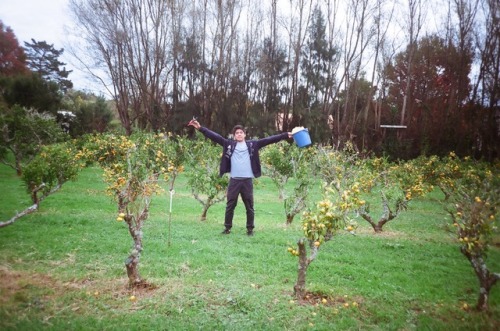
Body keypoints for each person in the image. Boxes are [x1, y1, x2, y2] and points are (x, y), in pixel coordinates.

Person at [188, 119, 292, 236]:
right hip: (234, 180)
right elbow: (215, 136)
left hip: (247, 181)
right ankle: (227, 228)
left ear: (244, 134)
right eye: (236, 133)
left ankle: (250, 229)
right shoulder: (229, 144)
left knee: (249, 207)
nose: (239, 134)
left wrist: (285, 135)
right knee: (230, 205)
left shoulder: (253, 144)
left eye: (241, 132)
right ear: (234, 135)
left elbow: (269, 140)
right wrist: (200, 128)